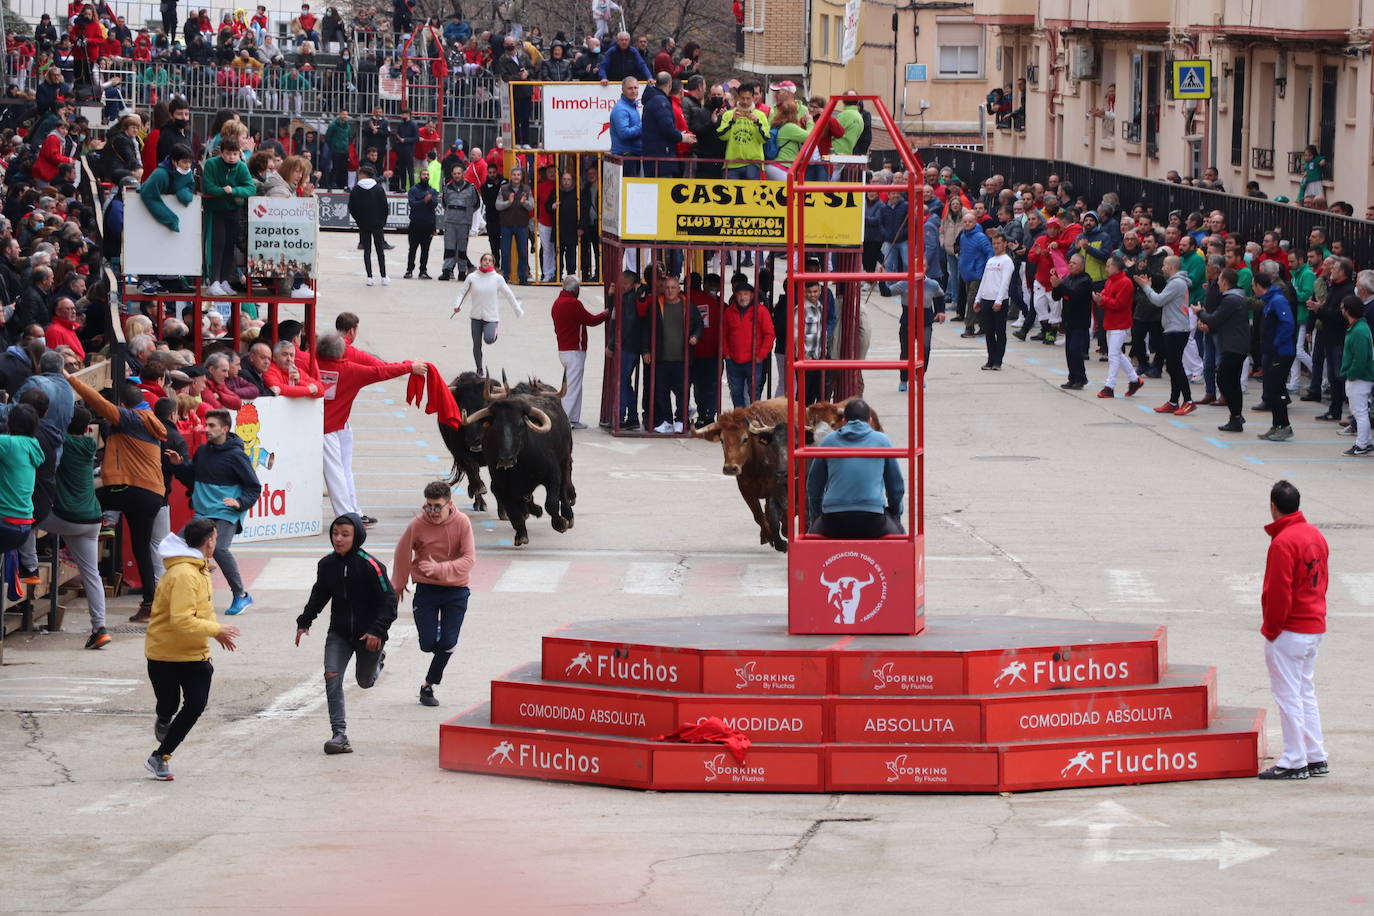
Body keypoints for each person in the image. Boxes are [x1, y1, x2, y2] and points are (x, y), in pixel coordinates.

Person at [143, 518, 240, 780]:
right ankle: (164, 717)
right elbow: (181, 620)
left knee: (195, 705)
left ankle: (160, 756)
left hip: (195, 653)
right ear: (209, 541)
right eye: (215, 538)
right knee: (169, 704)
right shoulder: (184, 574)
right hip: (165, 653)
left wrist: (215, 633)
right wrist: (215, 630)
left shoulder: (201, 569)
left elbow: (202, 611)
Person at [68, 374, 167, 622]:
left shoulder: (131, 418)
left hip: (132, 488)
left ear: (123, 405)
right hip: (153, 493)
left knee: (85, 499)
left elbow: (98, 403)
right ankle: (149, 603)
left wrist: (71, 379)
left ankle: (77, 542)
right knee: (141, 549)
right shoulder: (149, 418)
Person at [296, 513, 397, 754]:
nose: (338, 539)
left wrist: (377, 631)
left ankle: (376, 663)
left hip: (368, 635)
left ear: (357, 537)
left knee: (364, 682)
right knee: (331, 676)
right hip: (339, 634)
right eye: (335, 534)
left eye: (345, 535)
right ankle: (339, 735)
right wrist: (304, 621)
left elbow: (389, 601)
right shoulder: (326, 564)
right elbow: (319, 594)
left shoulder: (372, 566)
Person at [1258, 480, 1329, 779]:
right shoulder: (1315, 535)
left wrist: (1272, 630)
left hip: (1291, 629)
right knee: (1304, 692)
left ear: (1274, 506)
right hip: (1314, 624)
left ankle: (1294, 759)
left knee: (1287, 695)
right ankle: (1315, 756)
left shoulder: (1283, 542)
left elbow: (1278, 593)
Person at [315, 332, 425, 518]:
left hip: (313, 425)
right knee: (337, 474)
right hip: (330, 428)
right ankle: (347, 516)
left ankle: (351, 512)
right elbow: (381, 371)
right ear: (342, 352)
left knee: (338, 471)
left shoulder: (309, 363)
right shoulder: (351, 370)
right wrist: (410, 367)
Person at [164, 408, 261, 616]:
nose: (206, 429)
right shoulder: (203, 451)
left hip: (226, 512)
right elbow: (191, 479)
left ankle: (241, 595)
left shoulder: (237, 456)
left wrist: (240, 502)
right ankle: (187, 595)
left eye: (211, 425)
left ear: (225, 429)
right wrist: (179, 466)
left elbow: (254, 487)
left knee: (219, 549)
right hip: (203, 512)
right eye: (205, 424)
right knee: (176, 545)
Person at [391, 481, 475, 708]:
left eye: (437, 506)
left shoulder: (462, 522)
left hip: (456, 589)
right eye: (428, 506)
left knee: (447, 643)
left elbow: (469, 559)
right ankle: (435, 632)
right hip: (427, 589)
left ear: (449, 504)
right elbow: (402, 551)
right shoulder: (418, 524)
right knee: (427, 644)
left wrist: (440, 569)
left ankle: (428, 685)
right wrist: (398, 583)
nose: (433, 512)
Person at [806, 399, 904, 539]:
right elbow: (896, 487)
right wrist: (895, 514)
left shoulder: (828, 441)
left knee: (811, 537)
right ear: (870, 421)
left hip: (834, 519)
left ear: (844, 420)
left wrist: (816, 516)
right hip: (873, 518)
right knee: (900, 536)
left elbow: (814, 486)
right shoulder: (882, 441)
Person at [641, 274, 702, 433]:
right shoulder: (656, 307)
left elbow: (699, 325)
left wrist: (695, 336)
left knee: (683, 391)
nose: (669, 291)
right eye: (667, 288)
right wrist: (646, 350)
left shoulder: (687, 306)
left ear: (679, 288)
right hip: (661, 358)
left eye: (673, 288)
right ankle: (666, 421)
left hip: (682, 359)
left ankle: (681, 420)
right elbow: (646, 330)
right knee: (661, 391)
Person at [1135, 255, 1194, 414]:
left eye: (1164, 265)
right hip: (1173, 328)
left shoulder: (1176, 283)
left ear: (1171, 267)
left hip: (1177, 329)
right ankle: (1174, 401)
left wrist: (1146, 287)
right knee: (1173, 367)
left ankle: (1188, 400)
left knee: (1175, 366)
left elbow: (1158, 300)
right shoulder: (1176, 283)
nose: (1162, 268)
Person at [1196, 268, 1250, 432]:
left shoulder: (1231, 299)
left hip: (1234, 345)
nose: (1217, 283)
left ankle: (1236, 415)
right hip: (1236, 344)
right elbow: (1222, 322)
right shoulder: (1235, 298)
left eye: (1219, 280)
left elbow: (1214, 319)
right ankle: (1235, 417)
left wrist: (1199, 312)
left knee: (1225, 380)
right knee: (1232, 381)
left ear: (1225, 282)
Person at [201, 136, 255, 297]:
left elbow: (250, 188)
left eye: (235, 154)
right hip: (215, 211)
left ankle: (224, 280)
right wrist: (225, 192)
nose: (232, 157)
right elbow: (208, 186)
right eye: (228, 154)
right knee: (217, 244)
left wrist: (234, 191)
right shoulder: (211, 164)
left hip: (233, 211)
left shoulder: (241, 167)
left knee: (229, 246)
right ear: (222, 153)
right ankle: (214, 281)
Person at [551, 277, 608, 429]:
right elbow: (591, 320)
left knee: (574, 386)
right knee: (572, 388)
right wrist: (605, 314)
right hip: (574, 351)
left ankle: (573, 419)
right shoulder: (573, 304)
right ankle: (564, 420)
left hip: (564, 350)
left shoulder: (557, 303)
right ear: (575, 290)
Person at [453, 253, 524, 373]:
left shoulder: (497, 279)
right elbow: (463, 292)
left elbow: (509, 295)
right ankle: (479, 368)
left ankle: (495, 331)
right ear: (480, 262)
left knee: (489, 339)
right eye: (485, 260)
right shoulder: (472, 277)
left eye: (490, 260)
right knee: (476, 345)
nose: (487, 262)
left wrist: (517, 310)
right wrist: (457, 305)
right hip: (475, 317)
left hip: (491, 318)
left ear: (493, 263)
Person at [1256, 271, 1298, 442]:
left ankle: (1285, 426)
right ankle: (1277, 425)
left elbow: (1288, 324)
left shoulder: (1278, 300)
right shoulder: (1269, 301)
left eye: (1253, 286)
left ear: (1259, 286)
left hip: (1282, 353)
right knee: (1273, 388)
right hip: (1272, 352)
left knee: (1276, 388)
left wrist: (1276, 343)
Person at [1095, 255, 1143, 398]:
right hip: (1111, 321)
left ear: (1116, 267)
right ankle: (1135, 379)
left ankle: (1110, 386)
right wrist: (1100, 298)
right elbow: (1106, 296)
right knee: (1116, 353)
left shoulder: (1125, 282)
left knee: (1113, 355)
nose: (1106, 268)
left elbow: (1120, 304)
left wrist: (1102, 300)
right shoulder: (1111, 281)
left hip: (1120, 323)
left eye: (1109, 266)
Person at [721, 281, 774, 408]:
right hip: (733, 360)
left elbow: (769, 334)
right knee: (736, 392)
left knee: (754, 393)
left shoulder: (761, 311)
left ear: (751, 296)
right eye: (740, 294)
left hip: (754, 360)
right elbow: (723, 334)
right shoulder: (729, 312)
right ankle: (740, 421)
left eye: (746, 294)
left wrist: (761, 355)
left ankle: (754, 420)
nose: (743, 297)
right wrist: (726, 354)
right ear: (735, 296)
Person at [1049, 252, 1093, 387]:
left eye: (1074, 263)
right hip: (1069, 321)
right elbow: (1057, 297)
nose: (1071, 265)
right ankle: (1073, 377)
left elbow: (1075, 296)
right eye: (1070, 263)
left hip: (1080, 321)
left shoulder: (1085, 280)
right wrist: (1056, 286)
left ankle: (1081, 378)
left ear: (1082, 266)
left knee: (1075, 350)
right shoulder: (1068, 279)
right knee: (1069, 351)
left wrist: (1060, 285)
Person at [1339, 297, 1374, 457]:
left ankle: (1361, 445)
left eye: (1342, 307)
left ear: (1347, 310)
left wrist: (1351, 374)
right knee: (1360, 411)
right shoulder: (1359, 327)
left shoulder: (1359, 331)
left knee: (1359, 412)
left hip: (1359, 377)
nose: (1341, 309)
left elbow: (1360, 359)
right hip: (1360, 376)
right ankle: (1366, 442)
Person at [349, 165, 390, 286]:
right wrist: (382, 221)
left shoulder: (356, 189)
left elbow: (351, 207)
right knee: (380, 250)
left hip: (363, 224)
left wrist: (358, 220)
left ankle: (369, 277)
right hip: (377, 224)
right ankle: (383, 276)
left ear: (363, 175)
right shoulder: (378, 189)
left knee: (367, 250)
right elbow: (385, 206)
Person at [495, 166, 535, 284]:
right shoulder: (503, 189)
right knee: (505, 252)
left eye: (518, 175)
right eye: (514, 175)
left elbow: (531, 205)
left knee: (522, 251)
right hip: (506, 224)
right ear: (510, 176)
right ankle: (505, 276)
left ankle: (522, 276)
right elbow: (498, 205)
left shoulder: (527, 189)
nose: (516, 177)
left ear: (521, 176)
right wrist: (508, 203)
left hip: (522, 225)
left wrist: (524, 202)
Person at [439, 164, 479, 281]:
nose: (457, 175)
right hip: (450, 222)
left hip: (464, 223)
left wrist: (466, 214)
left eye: (459, 173)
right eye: (455, 173)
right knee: (449, 247)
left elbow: (476, 204)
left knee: (462, 248)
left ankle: (462, 272)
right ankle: (446, 271)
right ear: (452, 175)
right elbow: (444, 203)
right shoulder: (447, 188)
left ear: (463, 174)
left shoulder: (471, 188)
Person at [404, 168, 436, 279]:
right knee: (412, 249)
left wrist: (429, 201)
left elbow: (434, 206)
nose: (426, 176)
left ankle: (423, 270)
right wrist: (424, 201)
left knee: (425, 249)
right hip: (415, 224)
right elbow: (413, 205)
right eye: (423, 174)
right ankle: (409, 270)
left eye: (427, 174)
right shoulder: (413, 190)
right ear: (419, 176)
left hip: (428, 225)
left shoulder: (433, 191)